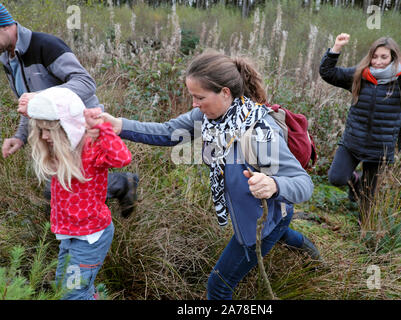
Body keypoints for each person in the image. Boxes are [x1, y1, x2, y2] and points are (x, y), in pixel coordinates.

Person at [98, 50, 321, 300]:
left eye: (199, 97)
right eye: (193, 96)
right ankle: (312, 255)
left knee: (218, 286)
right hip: (259, 213)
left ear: (225, 92)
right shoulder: (208, 117)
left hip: (259, 223)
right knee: (282, 231)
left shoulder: (258, 131)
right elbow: (168, 132)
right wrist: (119, 126)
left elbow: (303, 184)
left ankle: (311, 256)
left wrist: (273, 184)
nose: (194, 104)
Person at [0, 3, 138, 217]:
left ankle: (112, 196)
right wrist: (20, 137)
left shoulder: (46, 45)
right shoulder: (7, 59)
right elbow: (30, 103)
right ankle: (117, 187)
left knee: (59, 188)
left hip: (81, 126)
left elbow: (85, 83)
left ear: (5, 26)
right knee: (59, 188)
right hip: (53, 132)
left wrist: (44, 96)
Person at [319, 33, 401, 217]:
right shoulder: (359, 75)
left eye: (384, 57)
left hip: (379, 149)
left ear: (392, 58)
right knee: (336, 178)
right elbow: (328, 73)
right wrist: (336, 48)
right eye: (374, 56)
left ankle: (364, 233)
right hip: (352, 142)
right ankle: (355, 181)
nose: (378, 61)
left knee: (368, 197)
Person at [22, 87, 132, 300]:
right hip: (70, 234)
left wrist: (102, 129)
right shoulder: (59, 150)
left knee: (72, 293)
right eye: (41, 130)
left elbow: (122, 158)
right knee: (66, 287)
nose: (45, 137)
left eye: (50, 130)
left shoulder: (90, 149)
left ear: (68, 127)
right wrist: (36, 108)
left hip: (90, 237)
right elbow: (56, 113)